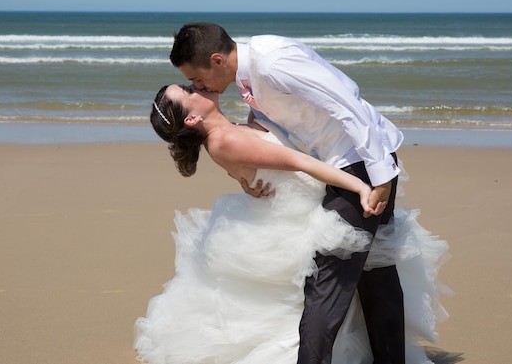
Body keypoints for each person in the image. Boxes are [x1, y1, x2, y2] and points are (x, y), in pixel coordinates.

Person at [134, 84, 449, 364]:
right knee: (322, 291)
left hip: (302, 205)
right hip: (302, 209)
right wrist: (362, 186)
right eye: (188, 93)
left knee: (342, 284)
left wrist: (254, 90)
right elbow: (302, 162)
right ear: (191, 119)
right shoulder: (226, 140)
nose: (195, 87)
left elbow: (265, 131)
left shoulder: (229, 133)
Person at [167, 22, 406, 364]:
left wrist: (381, 174)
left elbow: (344, 102)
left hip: (360, 164)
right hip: (350, 163)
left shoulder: (273, 63)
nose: (197, 86)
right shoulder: (251, 76)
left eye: (196, 78)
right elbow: (280, 121)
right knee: (375, 271)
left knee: (325, 286)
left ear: (217, 60)